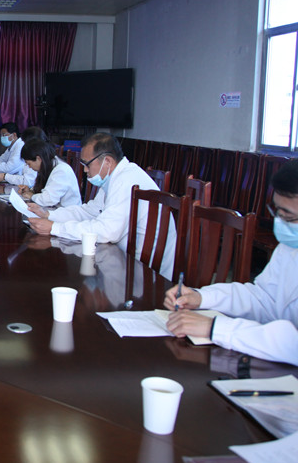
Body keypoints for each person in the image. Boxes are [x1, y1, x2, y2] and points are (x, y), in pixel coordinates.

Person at [165, 159, 298, 366]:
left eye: (288, 217)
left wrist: (215, 328)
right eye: (277, 214)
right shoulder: (290, 246)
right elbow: (263, 298)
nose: (280, 223)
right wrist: (201, 298)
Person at [28, 132, 176, 279]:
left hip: (144, 274)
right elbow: (90, 211)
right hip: (125, 260)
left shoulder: (126, 180)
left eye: (87, 164)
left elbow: (107, 231)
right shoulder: (114, 178)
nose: (85, 170)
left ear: (107, 161)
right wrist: (49, 215)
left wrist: (55, 228)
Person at [18, 139, 81, 209]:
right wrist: (31, 191)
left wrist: (32, 196)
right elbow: (47, 189)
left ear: (38, 159)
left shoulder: (61, 170)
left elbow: (48, 200)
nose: (29, 167)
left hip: (67, 213)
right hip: (54, 209)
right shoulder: (48, 165)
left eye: (29, 163)